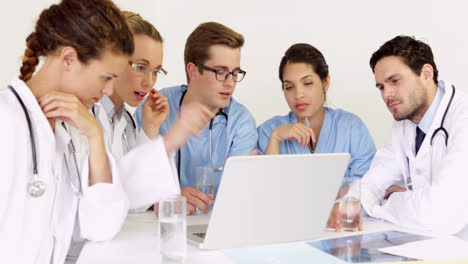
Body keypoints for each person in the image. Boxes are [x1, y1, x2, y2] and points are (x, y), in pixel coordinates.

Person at [0, 0, 133, 262]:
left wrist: (95, 136)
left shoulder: (73, 127)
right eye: (105, 78)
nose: (108, 91)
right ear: (69, 58)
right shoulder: (6, 120)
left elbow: (101, 226)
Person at [331, 35, 468, 235]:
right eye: (381, 87)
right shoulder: (406, 122)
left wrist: (391, 200)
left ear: (426, 74)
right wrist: (347, 203)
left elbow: (439, 213)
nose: (387, 94)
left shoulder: (462, 118)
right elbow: (374, 181)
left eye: (394, 81)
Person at [92, 11, 213, 213]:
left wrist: (150, 128)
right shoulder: (85, 114)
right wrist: (174, 136)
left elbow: (137, 194)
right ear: (114, 58)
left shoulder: (126, 121)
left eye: (156, 71)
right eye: (141, 67)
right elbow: (107, 197)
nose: (149, 82)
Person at [135, 22, 258, 215]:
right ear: (193, 71)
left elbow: (239, 197)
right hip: (162, 227)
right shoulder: (155, 107)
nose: (230, 83)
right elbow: (134, 185)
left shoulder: (241, 123)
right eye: (221, 72)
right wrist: (171, 199)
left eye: (235, 73)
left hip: (217, 228)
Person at [257, 43, 376, 179]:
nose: (298, 95)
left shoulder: (351, 128)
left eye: (307, 83)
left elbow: (366, 187)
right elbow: (263, 190)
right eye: (289, 87)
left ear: (325, 82)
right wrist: (276, 137)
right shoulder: (268, 131)